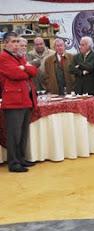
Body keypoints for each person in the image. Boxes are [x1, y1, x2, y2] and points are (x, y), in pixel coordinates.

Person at [0, 32, 37, 172]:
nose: (16, 44)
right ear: (6, 43)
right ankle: (13, 162)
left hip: (26, 99)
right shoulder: (3, 58)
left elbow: (34, 71)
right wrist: (25, 69)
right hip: (13, 101)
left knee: (22, 133)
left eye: (17, 41)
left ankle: (21, 158)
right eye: (13, 41)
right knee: (14, 134)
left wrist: (25, 68)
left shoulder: (19, 57)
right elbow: (16, 74)